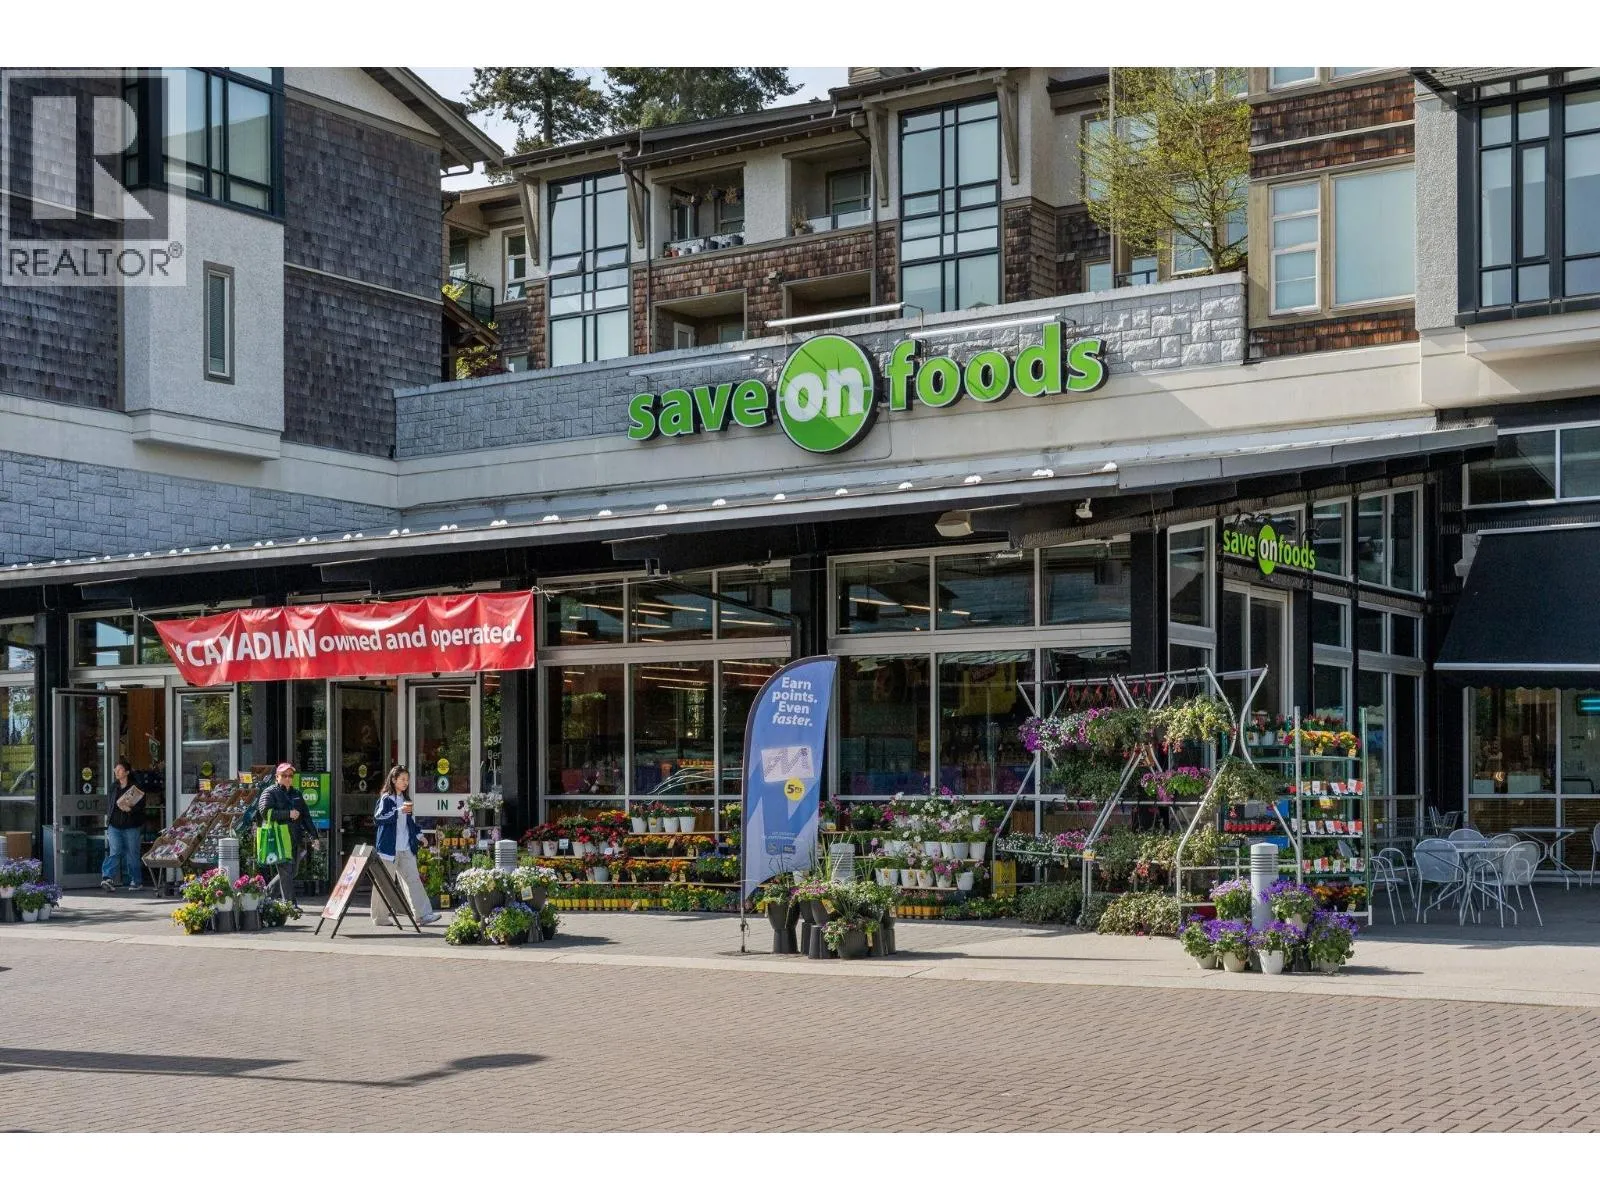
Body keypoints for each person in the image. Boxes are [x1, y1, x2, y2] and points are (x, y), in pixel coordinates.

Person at [373, 765, 439, 926]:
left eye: (407, 780)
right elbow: (378, 818)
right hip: (388, 850)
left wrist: (419, 835)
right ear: (393, 779)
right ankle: (379, 918)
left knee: (414, 880)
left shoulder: (406, 800)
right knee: (384, 882)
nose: (405, 782)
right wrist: (397, 811)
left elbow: (409, 823)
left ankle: (423, 915)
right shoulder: (386, 798)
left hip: (405, 848)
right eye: (402, 779)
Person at [257, 762, 319, 905]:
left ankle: (266, 895)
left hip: (295, 838)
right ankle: (290, 905)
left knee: (291, 872)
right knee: (286, 871)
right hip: (279, 838)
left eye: (290, 775)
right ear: (277, 777)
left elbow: (306, 817)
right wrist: (288, 814)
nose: (288, 778)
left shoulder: (297, 794)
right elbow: (265, 812)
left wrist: (314, 836)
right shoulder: (270, 792)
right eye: (284, 775)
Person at [101, 758, 145, 892]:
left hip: (131, 825)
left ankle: (136, 880)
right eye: (116, 769)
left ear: (126, 772)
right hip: (114, 825)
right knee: (115, 851)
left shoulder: (135, 787)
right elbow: (110, 805)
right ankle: (107, 877)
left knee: (132, 853)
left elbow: (141, 806)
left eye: (120, 769)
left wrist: (130, 809)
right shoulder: (113, 787)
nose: (117, 772)